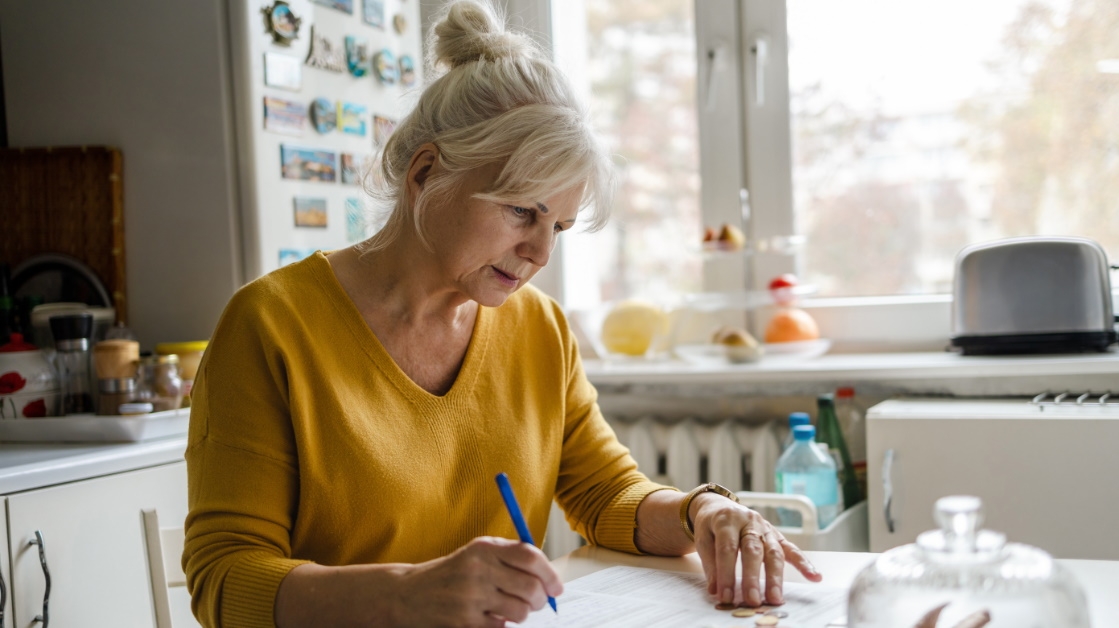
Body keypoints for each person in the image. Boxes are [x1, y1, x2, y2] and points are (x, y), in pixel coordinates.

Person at [182, 2, 821, 626]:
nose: (540, 252)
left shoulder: (539, 328)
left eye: (559, 227)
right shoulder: (271, 325)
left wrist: (702, 511)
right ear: (426, 173)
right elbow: (224, 578)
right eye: (522, 211)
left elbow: (607, 497)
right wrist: (404, 597)